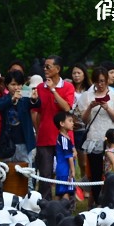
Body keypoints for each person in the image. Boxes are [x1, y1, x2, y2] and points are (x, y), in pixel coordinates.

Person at [73, 66, 114, 206]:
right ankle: (97, 202)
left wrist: (107, 108)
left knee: (113, 173)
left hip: (111, 139)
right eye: (97, 81)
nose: (100, 84)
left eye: (102, 81)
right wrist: (90, 107)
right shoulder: (87, 96)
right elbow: (84, 120)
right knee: (95, 175)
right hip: (94, 139)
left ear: (107, 80)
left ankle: (113, 202)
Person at [31, 55, 75, 200]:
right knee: (45, 174)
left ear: (58, 69)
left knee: (65, 171)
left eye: (48, 66)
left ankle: (67, 202)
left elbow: (66, 107)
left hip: (63, 136)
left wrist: (53, 90)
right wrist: (38, 130)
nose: (45, 69)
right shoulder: (39, 87)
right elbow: (36, 113)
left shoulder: (68, 86)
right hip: (44, 136)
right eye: (44, 66)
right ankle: (45, 204)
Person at [0, 69, 37, 167]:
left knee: (26, 171)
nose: (16, 87)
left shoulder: (25, 98)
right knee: (6, 171)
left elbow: (37, 103)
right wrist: (12, 99)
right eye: (13, 84)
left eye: (19, 84)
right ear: (7, 85)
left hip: (24, 142)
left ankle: (30, 183)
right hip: (8, 143)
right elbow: (0, 106)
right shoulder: (3, 99)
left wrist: (34, 99)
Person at [69, 63, 91, 180]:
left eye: (79, 73)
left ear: (84, 74)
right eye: (74, 73)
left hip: (85, 127)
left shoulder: (89, 90)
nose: (76, 76)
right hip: (71, 127)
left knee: (84, 162)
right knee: (71, 158)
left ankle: (84, 182)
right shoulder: (69, 88)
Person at [53, 111, 76, 204]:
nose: (72, 123)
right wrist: (73, 170)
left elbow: (72, 149)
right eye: (70, 121)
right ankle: (63, 212)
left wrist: (74, 150)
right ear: (62, 124)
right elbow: (69, 156)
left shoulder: (65, 137)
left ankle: (52, 211)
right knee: (66, 192)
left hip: (62, 170)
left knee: (59, 193)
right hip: (66, 171)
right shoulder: (64, 139)